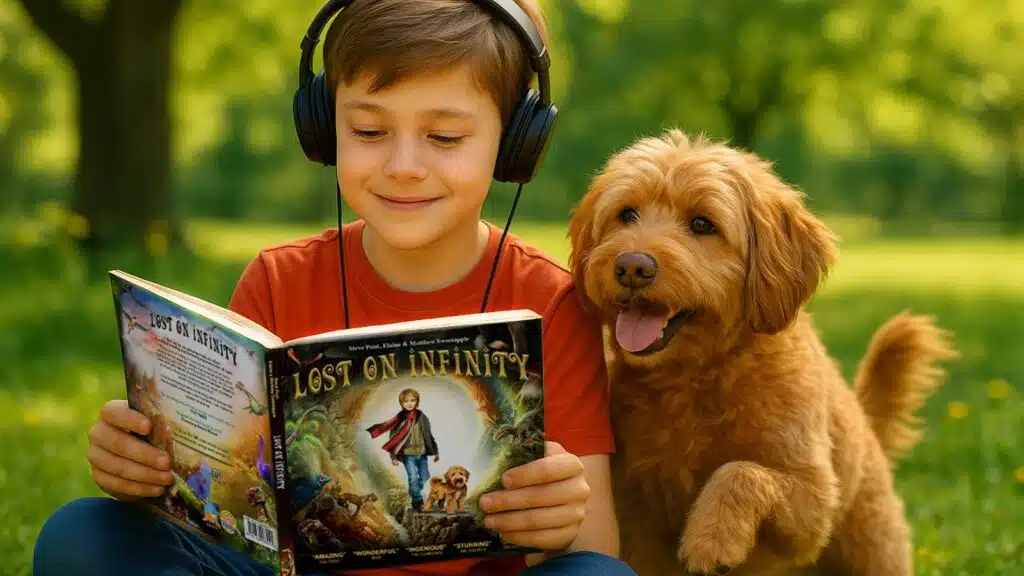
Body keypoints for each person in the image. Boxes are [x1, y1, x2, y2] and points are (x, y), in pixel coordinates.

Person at [33, 1, 636, 575]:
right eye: (369, 131)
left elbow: (593, 550)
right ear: (324, 128)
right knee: (82, 537)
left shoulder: (552, 300)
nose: (403, 165)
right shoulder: (277, 279)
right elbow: (230, 507)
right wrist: (150, 470)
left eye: (445, 138)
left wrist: (559, 518)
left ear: (515, 143)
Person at [367, 388, 441, 512]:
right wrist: (393, 457)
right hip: (408, 455)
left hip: (421, 453)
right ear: (401, 403)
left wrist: (436, 451)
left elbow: (429, 435)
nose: (409, 403)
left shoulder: (422, 417)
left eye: (412, 400)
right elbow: (394, 439)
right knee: (413, 478)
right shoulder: (400, 419)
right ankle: (417, 502)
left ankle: (414, 489)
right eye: (406, 401)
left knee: (425, 476)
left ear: (417, 402)